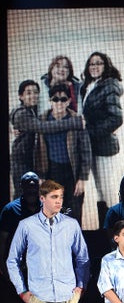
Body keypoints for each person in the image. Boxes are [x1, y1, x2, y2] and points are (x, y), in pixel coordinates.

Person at [6, 179, 90, 303]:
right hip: (40, 294)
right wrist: (23, 291)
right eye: (54, 197)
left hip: (67, 293)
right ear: (42, 198)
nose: (59, 201)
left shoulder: (71, 225)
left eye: (60, 197)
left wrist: (80, 287)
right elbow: (12, 260)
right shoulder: (27, 226)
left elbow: (83, 259)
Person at [9, 80, 84, 198]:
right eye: (28, 93)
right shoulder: (22, 113)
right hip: (21, 162)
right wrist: (75, 122)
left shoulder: (29, 109)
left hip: (29, 160)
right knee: (22, 197)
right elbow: (43, 127)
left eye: (35, 92)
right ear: (21, 96)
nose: (33, 95)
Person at [34, 84, 92, 223]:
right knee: (52, 211)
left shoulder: (76, 119)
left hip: (72, 172)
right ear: (50, 101)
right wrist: (41, 175)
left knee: (73, 211)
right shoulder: (42, 120)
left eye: (63, 99)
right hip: (51, 171)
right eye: (55, 99)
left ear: (68, 101)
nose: (59, 102)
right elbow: (37, 150)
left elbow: (86, 150)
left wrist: (82, 178)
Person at [79, 51, 124, 216]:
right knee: (99, 191)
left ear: (106, 66)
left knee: (108, 190)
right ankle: (103, 230)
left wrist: (89, 134)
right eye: (92, 64)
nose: (95, 67)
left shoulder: (109, 85)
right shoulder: (89, 85)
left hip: (105, 147)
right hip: (93, 146)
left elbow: (116, 118)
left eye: (99, 63)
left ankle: (117, 227)